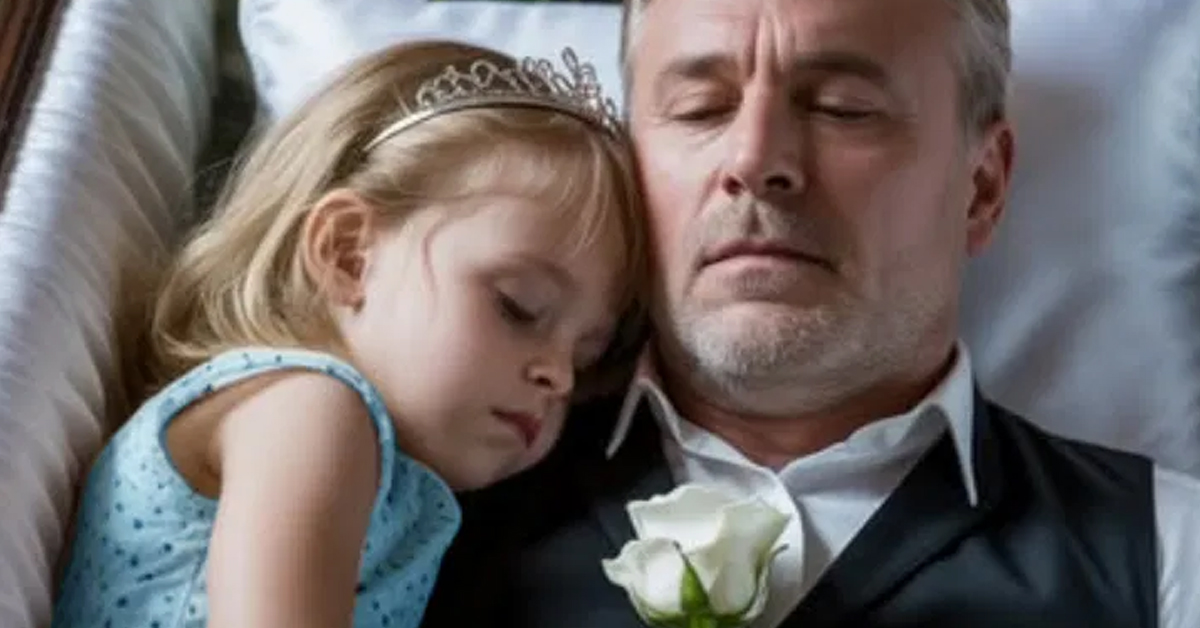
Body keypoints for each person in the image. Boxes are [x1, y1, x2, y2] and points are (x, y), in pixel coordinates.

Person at [420, 0, 1200, 627]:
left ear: (982, 187)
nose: (755, 160)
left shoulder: (1170, 556)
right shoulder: (425, 504)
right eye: (699, 108)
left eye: (844, 109)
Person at [50, 40, 647, 628]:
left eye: (586, 356)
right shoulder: (309, 410)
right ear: (348, 254)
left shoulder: (378, 471)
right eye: (518, 307)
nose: (558, 376)